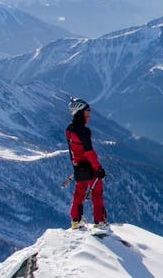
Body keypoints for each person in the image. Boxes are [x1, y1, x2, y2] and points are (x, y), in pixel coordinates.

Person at [66, 97, 107, 229]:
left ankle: (76, 220)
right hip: (90, 167)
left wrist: (75, 165)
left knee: (78, 193)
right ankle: (99, 222)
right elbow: (89, 152)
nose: (89, 113)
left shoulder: (69, 130)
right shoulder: (84, 131)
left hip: (79, 166)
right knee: (96, 194)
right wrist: (98, 168)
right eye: (86, 110)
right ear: (79, 112)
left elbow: (71, 150)